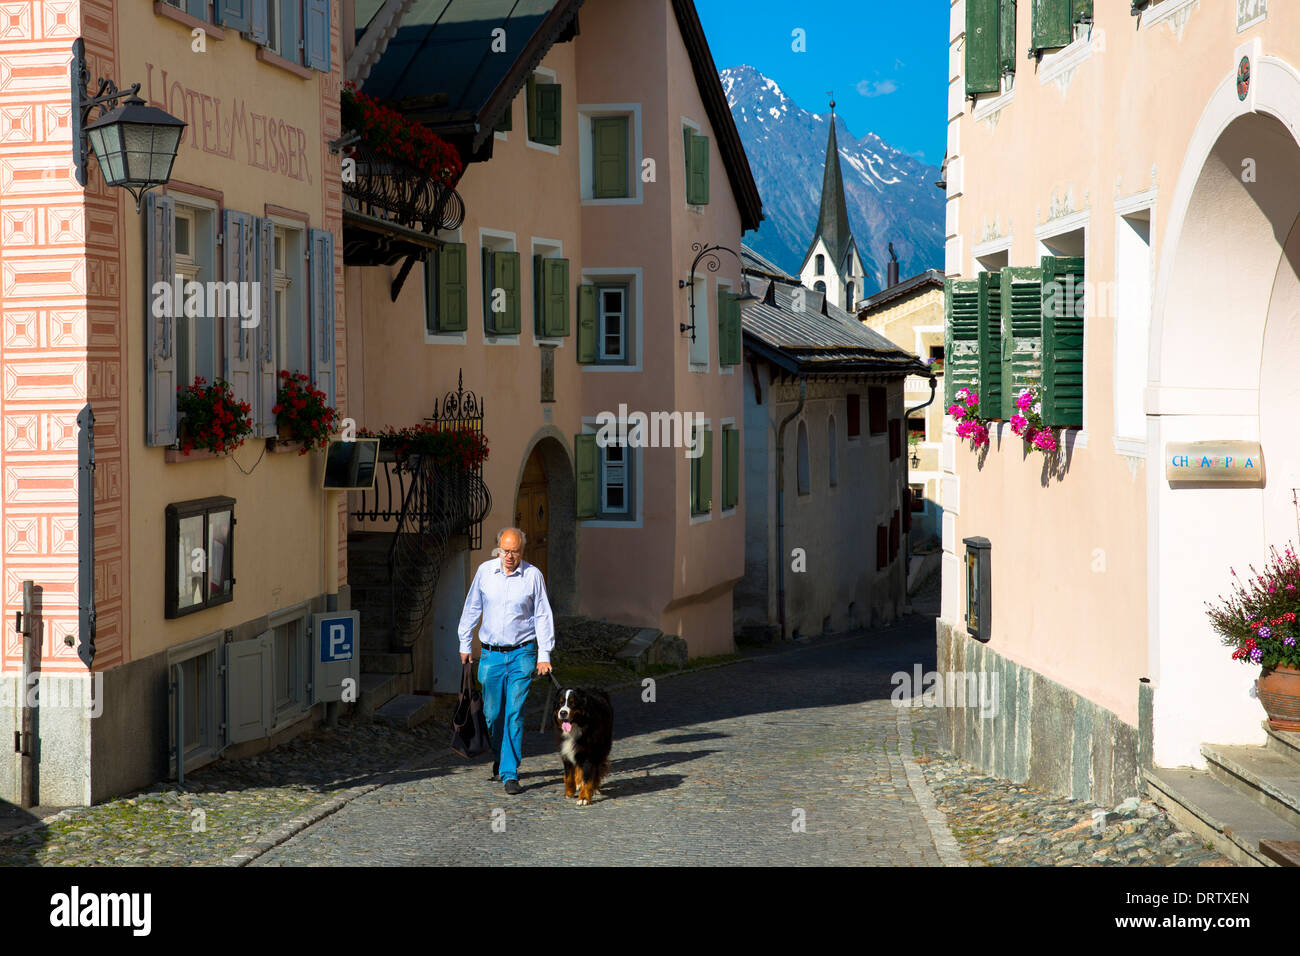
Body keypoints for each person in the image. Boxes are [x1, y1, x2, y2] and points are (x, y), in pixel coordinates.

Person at [457, 527, 555, 794]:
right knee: (493, 714)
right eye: (505, 550)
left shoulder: (533, 576)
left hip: (522, 653)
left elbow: (542, 615)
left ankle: (510, 772)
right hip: (491, 655)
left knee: (514, 713)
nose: (509, 556)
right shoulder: (485, 573)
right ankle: (500, 757)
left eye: (515, 551)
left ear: (522, 551)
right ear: (498, 548)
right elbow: (472, 607)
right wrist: (465, 643)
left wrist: (544, 655)